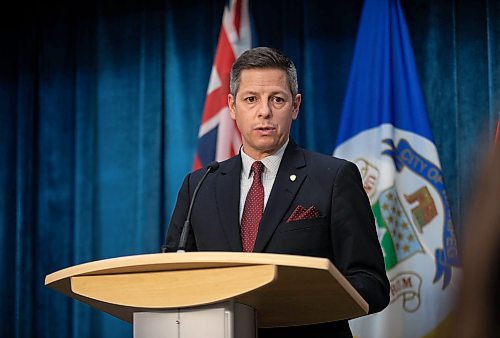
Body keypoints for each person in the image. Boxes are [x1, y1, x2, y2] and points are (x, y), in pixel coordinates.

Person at [165, 47, 389, 337]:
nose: (264, 111)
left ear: (295, 106)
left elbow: (371, 283)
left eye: (277, 99)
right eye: (251, 99)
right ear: (232, 107)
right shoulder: (200, 185)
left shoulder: (334, 178)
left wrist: (302, 301)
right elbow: (172, 276)